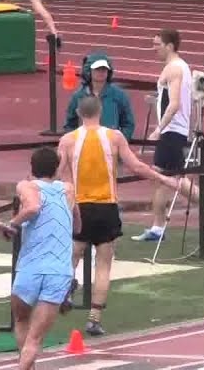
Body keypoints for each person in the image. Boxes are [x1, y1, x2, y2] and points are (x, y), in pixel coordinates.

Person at [57, 97, 182, 335]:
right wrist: (165, 179)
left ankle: (64, 291)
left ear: (78, 113)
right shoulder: (114, 137)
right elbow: (137, 166)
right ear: (100, 111)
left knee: (72, 255)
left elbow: (57, 172)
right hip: (106, 206)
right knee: (103, 264)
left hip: (79, 207)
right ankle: (94, 318)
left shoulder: (68, 140)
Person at [135, 29, 204, 243]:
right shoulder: (181, 67)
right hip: (175, 130)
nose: (154, 49)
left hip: (172, 132)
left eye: (157, 45)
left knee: (166, 179)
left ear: (170, 46)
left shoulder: (174, 68)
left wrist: (158, 129)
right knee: (167, 179)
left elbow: (174, 103)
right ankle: (160, 227)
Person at [0, 148, 78, 370]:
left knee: (21, 320)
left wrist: (12, 223)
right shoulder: (69, 190)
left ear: (31, 167)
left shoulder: (26, 186)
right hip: (59, 272)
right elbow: (78, 223)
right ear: (56, 168)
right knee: (35, 338)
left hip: (30, 269)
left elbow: (32, 207)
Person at [61, 51, 136, 140]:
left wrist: (120, 142)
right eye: (97, 69)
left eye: (104, 69)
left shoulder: (119, 95)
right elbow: (69, 124)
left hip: (111, 148)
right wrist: (76, 142)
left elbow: (128, 124)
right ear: (89, 71)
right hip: (85, 146)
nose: (101, 72)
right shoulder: (78, 96)